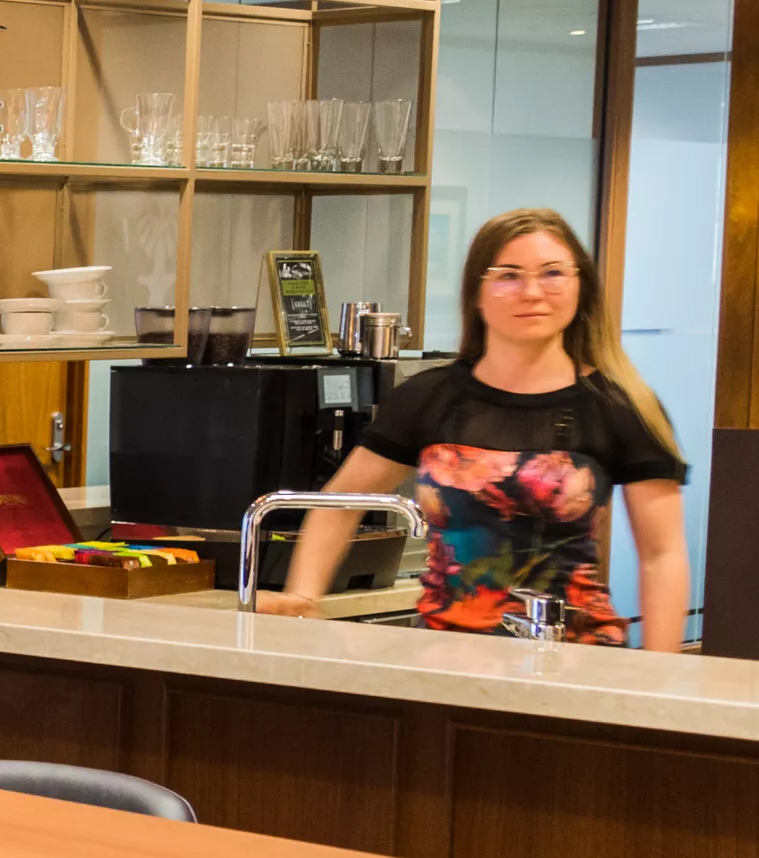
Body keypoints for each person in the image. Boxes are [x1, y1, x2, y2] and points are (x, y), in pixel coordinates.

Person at [257, 207, 688, 646]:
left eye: (553, 273)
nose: (532, 291)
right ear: (477, 294)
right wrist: (301, 594)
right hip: (445, 653)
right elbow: (340, 503)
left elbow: (661, 555)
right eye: (509, 275)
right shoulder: (428, 396)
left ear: (581, 288)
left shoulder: (620, 405)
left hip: (576, 655)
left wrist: (662, 672)